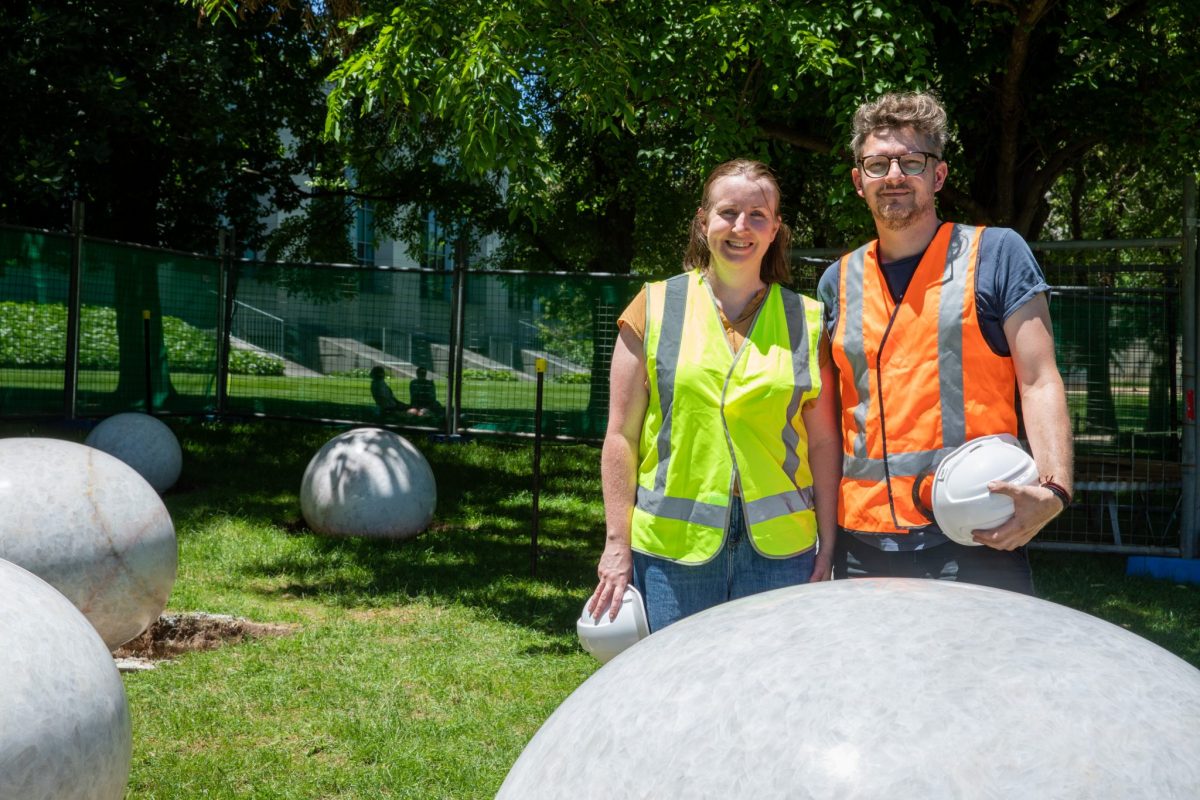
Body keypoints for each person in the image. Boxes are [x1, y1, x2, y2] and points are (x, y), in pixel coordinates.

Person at [817, 91, 1074, 594]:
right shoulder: (836, 281)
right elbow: (828, 422)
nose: (893, 175)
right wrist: (826, 540)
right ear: (858, 181)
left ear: (937, 176)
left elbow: (1040, 380)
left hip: (978, 530)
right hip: (863, 545)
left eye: (911, 161)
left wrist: (1054, 490)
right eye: (877, 164)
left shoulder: (996, 253)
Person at [587, 159, 841, 632]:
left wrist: (828, 542)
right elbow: (620, 435)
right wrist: (617, 543)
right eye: (727, 213)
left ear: (774, 230)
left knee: (773, 691)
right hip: (672, 552)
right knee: (679, 692)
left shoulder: (806, 321)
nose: (741, 227)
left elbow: (824, 442)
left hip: (782, 551)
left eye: (757, 216)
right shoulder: (653, 306)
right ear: (703, 223)